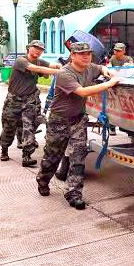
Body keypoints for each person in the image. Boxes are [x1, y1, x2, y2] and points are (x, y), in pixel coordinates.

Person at [35, 42, 120, 210]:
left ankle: (74, 193)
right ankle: (43, 179)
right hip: (59, 121)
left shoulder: (89, 67)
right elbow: (83, 92)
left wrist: (107, 71)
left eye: (88, 53)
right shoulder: (64, 73)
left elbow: (99, 67)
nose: (86, 57)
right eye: (81, 54)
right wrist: (110, 83)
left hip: (78, 119)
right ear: (72, 56)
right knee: (52, 157)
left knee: (78, 158)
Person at [0, 40, 61, 166]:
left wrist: (62, 66)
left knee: (29, 127)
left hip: (30, 100)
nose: (38, 51)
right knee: (8, 128)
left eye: (41, 49)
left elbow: (52, 65)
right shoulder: (21, 60)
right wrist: (57, 72)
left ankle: (27, 156)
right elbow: (35, 68)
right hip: (14, 100)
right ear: (29, 48)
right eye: (35, 48)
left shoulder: (40, 61)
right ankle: (4, 150)